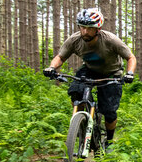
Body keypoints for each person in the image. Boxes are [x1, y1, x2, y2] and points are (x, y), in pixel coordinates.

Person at [43, 8, 136, 149]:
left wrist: (129, 73)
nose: (85, 31)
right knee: (75, 91)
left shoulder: (110, 40)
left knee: (109, 111)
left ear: (97, 29)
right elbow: (60, 57)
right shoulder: (75, 40)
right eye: (82, 27)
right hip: (90, 71)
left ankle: (109, 142)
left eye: (89, 28)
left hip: (112, 74)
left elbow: (130, 57)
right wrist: (51, 68)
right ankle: (80, 124)